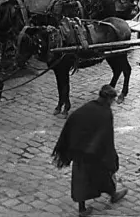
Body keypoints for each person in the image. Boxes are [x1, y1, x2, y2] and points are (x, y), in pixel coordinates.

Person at [52, 85, 128, 217]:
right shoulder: (105, 113)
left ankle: (83, 208)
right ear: (109, 99)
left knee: (81, 180)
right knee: (105, 175)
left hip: (80, 151)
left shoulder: (87, 107)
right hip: (95, 153)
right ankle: (113, 195)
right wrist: (110, 156)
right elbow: (106, 137)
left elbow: (73, 121)